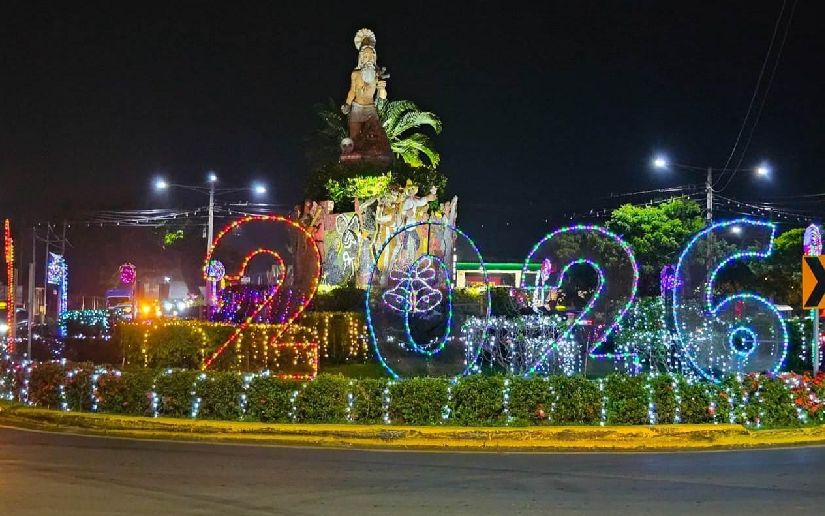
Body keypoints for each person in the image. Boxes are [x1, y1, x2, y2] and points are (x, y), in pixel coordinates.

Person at [340, 29, 391, 159]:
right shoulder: (355, 74)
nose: (368, 58)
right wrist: (347, 103)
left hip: (370, 108)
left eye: (371, 56)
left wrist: (382, 87)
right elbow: (352, 91)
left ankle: (374, 158)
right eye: (365, 56)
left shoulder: (377, 75)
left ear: (374, 58)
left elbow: (382, 96)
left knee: (376, 134)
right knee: (354, 137)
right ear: (361, 57)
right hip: (357, 107)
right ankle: (353, 161)